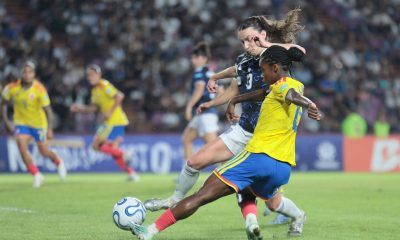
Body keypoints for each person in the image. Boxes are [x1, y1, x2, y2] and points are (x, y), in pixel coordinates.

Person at [130, 45, 321, 240]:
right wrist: (235, 99)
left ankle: (150, 230)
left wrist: (309, 104)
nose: (262, 76)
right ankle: (260, 222)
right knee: (248, 192)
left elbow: (290, 94)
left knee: (200, 196)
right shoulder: (295, 84)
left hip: (258, 157)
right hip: (283, 167)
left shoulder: (285, 88)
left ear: (275, 68)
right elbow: (267, 93)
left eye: (263, 70)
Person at [0, 61, 67, 188]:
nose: (27, 74)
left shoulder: (39, 89)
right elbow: (3, 104)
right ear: (21, 73)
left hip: (38, 124)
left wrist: (50, 129)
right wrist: (7, 122)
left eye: (30, 72)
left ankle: (58, 161)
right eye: (24, 72)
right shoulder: (11, 88)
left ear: (34, 74)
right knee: (21, 143)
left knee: (43, 151)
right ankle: (36, 174)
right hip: (21, 123)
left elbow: (48, 110)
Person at [70, 64, 139, 181]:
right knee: (111, 150)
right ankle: (131, 173)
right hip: (109, 122)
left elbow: (120, 96)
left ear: (99, 75)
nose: (90, 77)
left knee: (96, 145)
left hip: (115, 120)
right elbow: (94, 108)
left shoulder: (104, 85)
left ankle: (124, 154)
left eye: (92, 75)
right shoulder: (95, 90)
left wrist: (110, 112)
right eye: (88, 75)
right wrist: (80, 108)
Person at [182, 42, 220, 162]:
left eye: (195, 57)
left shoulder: (199, 72)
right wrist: (214, 103)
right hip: (205, 113)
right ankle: (186, 171)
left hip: (205, 113)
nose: (192, 60)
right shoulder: (212, 72)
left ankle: (228, 173)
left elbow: (199, 89)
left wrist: (189, 107)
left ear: (204, 58)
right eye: (192, 57)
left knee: (214, 147)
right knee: (186, 139)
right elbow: (222, 91)